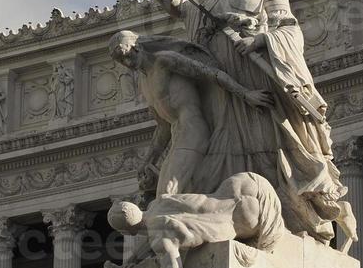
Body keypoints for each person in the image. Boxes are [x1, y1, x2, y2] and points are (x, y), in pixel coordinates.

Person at [136, 0, 352, 245]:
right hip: (224, 84)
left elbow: (287, 27)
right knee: (226, 143)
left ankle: (291, 216)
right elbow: (179, 7)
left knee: (272, 139)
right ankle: (235, 213)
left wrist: (260, 40)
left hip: (256, 71)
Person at [109, 30, 272, 196]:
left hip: (193, 131)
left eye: (126, 55)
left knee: (168, 193)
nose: (126, 62)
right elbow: (164, 126)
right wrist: (149, 160)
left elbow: (211, 73)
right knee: (163, 196)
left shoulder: (164, 60)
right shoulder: (144, 83)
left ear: (137, 47)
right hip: (178, 136)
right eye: (121, 60)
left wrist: (245, 94)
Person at [108, 172, 286, 268]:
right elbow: (159, 225)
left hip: (247, 221)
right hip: (249, 183)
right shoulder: (159, 203)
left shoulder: (159, 239)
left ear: (128, 232)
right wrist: (132, 261)